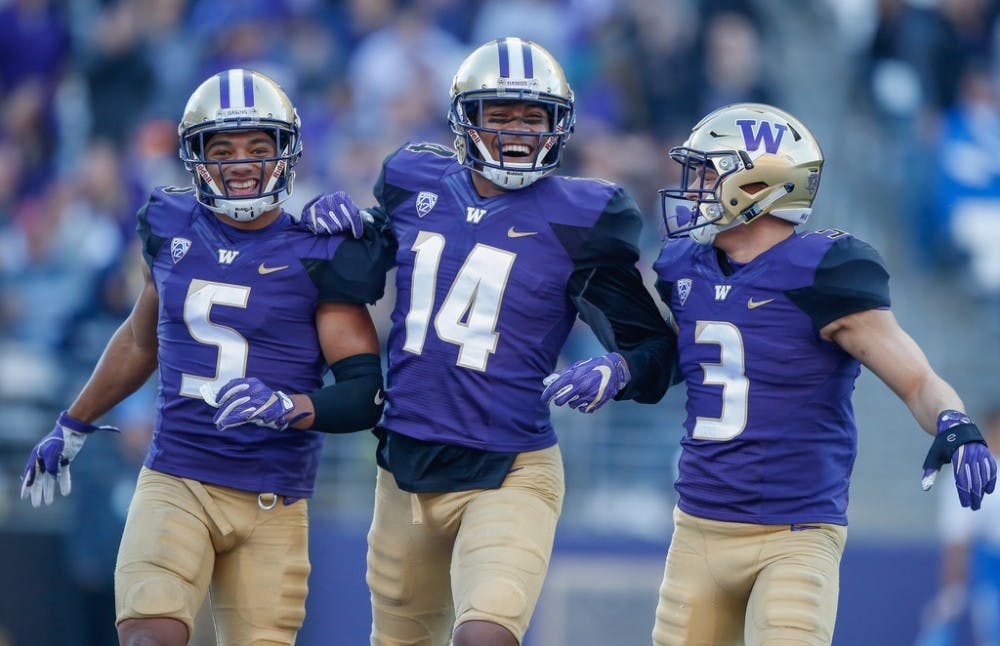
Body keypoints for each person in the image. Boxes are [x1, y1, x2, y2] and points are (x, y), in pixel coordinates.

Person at [546, 102, 998, 645]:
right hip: (698, 528)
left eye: (709, 173)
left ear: (758, 185)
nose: (693, 187)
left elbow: (917, 378)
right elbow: (671, 358)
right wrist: (621, 366)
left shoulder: (824, 271)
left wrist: (954, 421)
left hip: (795, 534)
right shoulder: (683, 266)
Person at [304, 36, 676, 645]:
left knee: (485, 636)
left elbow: (656, 350)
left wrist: (617, 370)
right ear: (465, 119)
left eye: (534, 116)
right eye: (499, 114)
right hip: (403, 467)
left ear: (560, 126)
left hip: (511, 468)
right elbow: (361, 272)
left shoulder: (583, 214)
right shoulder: (412, 178)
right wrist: (332, 231)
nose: (518, 130)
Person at [19, 68, 387, 646]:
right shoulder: (168, 225)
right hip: (176, 478)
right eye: (223, 149)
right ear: (195, 157)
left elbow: (366, 392)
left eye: (257, 148)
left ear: (285, 155)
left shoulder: (320, 253)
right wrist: (73, 421)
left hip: (274, 496)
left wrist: (288, 406)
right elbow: (142, 340)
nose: (240, 162)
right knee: (149, 636)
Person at [917, 407, 1000, 646]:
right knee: (956, 618)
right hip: (985, 566)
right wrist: (954, 585)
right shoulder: (971, 470)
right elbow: (957, 537)